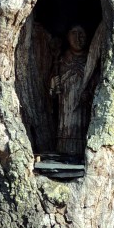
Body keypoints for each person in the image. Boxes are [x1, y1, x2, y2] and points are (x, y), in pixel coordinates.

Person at [50, 24, 90, 158]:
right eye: (74, 33)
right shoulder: (61, 60)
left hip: (83, 109)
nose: (78, 38)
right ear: (67, 36)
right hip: (65, 109)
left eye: (81, 34)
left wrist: (89, 93)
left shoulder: (90, 59)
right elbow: (51, 90)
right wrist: (53, 87)